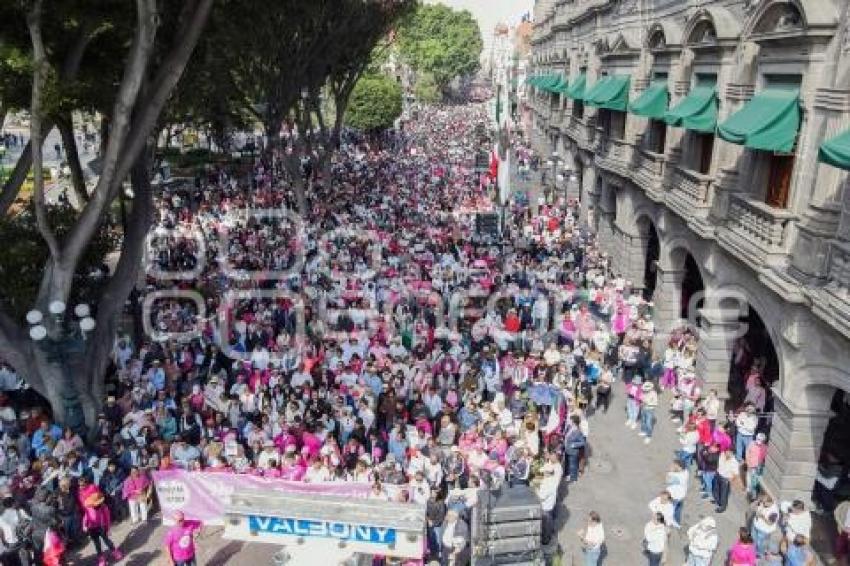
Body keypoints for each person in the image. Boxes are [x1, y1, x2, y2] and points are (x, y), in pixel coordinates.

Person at [80, 482, 122, 566]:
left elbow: (108, 519)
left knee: (107, 540)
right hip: (92, 529)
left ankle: (114, 551)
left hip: (102, 527)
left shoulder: (104, 508)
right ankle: (101, 558)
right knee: (97, 544)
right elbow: (85, 517)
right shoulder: (89, 507)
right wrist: (84, 525)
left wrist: (108, 529)